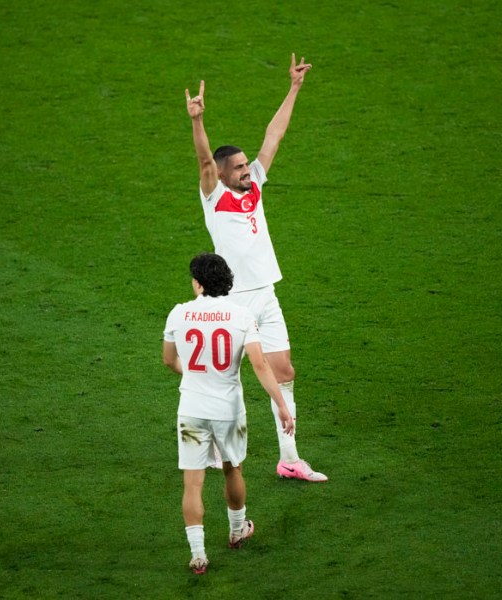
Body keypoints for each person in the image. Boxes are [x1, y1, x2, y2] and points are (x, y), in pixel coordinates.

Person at [184, 53, 327, 482]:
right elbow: (206, 161)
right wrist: (197, 121)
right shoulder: (214, 196)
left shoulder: (255, 186)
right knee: (222, 379)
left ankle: (289, 458)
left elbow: (274, 135)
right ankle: (209, 448)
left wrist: (294, 88)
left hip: (267, 293)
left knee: (284, 372)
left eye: (248, 166)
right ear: (224, 174)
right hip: (234, 300)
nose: (249, 171)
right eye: (241, 168)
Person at [163, 252, 295, 574]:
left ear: (198, 283)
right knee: (232, 469)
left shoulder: (179, 314)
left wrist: (194, 375)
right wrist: (280, 404)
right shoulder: (240, 316)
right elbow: (260, 364)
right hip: (228, 412)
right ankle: (237, 531)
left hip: (191, 410)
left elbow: (169, 361)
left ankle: (198, 555)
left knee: (192, 483)